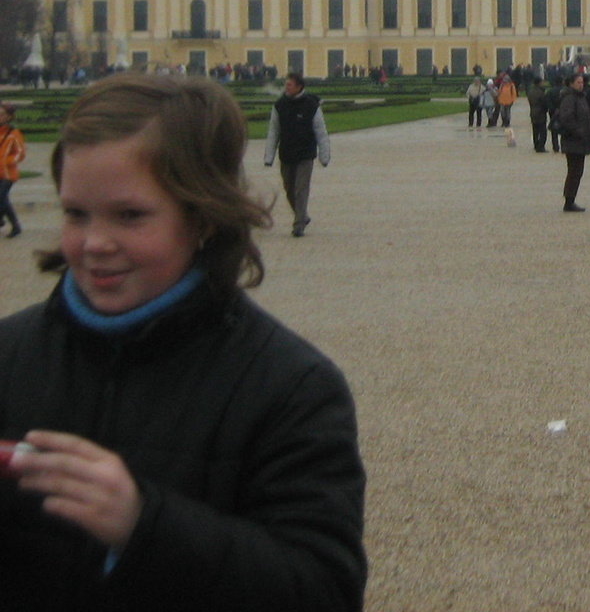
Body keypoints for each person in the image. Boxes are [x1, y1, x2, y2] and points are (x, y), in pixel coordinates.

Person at [0, 73, 365, 610]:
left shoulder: (290, 388)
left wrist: (142, 525)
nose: (95, 243)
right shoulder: (10, 356)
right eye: (75, 213)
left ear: (203, 216)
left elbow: (323, 590)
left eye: (130, 215)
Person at [262, 73, 330, 238]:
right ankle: (303, 215)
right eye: (286, 84)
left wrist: (324, 155)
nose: (286, 87)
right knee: (289, 189)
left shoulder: (311, 105)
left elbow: (321, 131)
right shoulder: (279, 105)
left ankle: (298, 224)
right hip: (286, 153)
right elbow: (274, 132)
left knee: (301, 189)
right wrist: (268, 157)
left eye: (290, 84)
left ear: (299, 87)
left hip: (305, 154)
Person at [555, 73, 590, 211]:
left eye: (582, 82)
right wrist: (579, 131)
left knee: (577, 171)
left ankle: (571, 198)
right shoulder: (569, 98)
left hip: (580, 140)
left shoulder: (581, 97)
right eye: (578, 82)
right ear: (571, 83)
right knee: (574, 171)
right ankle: (569, 201)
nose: (581, 84)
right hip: (573, 140)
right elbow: (567, 118)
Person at [0, 102, 25, 238]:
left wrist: (6, 162)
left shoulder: (13, 133)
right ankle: (16, 226)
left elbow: (20, 153)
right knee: (4, 201)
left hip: (8, 175)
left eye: (2, 114)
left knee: (0, 199)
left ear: (9, 117)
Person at [527, 75, 550, 152]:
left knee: (535, 130)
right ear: (539, 83)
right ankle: (541, 146)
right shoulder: (541, 93)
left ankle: (536, 145)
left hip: (533, 112)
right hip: (541, 113)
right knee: (542, 131)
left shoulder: (531, 92)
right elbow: (545, 103)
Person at [494, 71, 519, 142]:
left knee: (507, 112)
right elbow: (499, 92)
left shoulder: (511, 86)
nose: (504, 82)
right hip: (502, 101)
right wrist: (498, 99)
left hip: (509, 101)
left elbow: (514, 93)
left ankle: (507, 122)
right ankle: (503, 122)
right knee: (502, 112)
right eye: (504, 81)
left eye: (505, 81)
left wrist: (513, 100)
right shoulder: (502, 85)